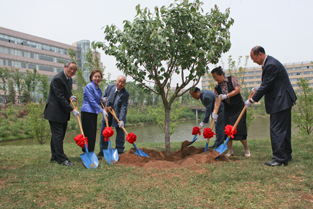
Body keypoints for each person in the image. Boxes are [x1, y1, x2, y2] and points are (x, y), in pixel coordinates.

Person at [245, 46, 297, 166]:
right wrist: (260, 87)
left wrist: (252, 100)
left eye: (254, 59)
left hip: (280, 100)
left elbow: (266, 86)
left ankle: (279, 159)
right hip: (283, 100)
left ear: (261, 54)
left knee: (276, 130)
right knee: (283, 129)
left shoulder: (270, 65)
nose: (254, 61)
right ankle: (286, 155)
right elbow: (269, 83)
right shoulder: (270, 63)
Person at [44, 61, 79, 166]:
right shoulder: (58, 79)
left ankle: (54, 155)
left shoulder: (69, 79)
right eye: (70, 68)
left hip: (62, 113)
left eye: (74, 70)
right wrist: (71, 110)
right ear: (65, 67)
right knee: (58, 135)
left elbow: (66, 93)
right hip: (55, 112)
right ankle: (62, 159)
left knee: (57, 135)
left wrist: (71, 96)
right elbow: (60, 98)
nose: (72, 71)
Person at [211, 66, 250, 157]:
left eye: (216, 77)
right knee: (227, 130)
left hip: (239, 108)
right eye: (214, 78)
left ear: (221, 75)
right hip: (228, 110)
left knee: (240, 129)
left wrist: (227, 96)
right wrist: (214, 112)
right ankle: (230, 151)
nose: (215, 79)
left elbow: (237, 90)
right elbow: (217, 100)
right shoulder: (217, 88)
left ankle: (246, 149)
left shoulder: (231, 79)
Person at [98, 75, 129, 158]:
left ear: (125, 84)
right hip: (107, 113)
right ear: (115, 81)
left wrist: (121, 119)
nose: (120, 84)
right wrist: (104, 108)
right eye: (119, 81)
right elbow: (104, 98)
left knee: (120, 133)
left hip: (118, 115)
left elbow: (124, 107)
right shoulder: (109, 87)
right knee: (104, 132)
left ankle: (119, 150)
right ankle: (103, 149)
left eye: (122, 82)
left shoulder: (125, 93)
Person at [80, 69, 107, 153]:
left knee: (93, 133)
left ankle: (91, 151)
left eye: (99, 77)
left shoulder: (99, 89)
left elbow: (97, 101)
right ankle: (86, 151)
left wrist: (102, 100)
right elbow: (91, 101)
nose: (97, 78)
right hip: (87, 112)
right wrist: (102, 110)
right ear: (91, 77)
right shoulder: (89, 86)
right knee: (88, 133)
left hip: (93, 113)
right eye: (95, 76)